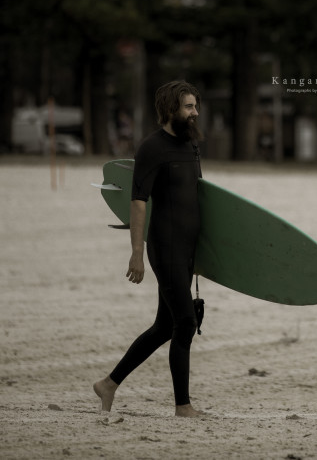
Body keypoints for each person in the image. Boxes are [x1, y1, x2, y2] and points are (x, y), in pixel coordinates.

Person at [94, 81, 205, 418]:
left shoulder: (191, 146)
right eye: (188, 106)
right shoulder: (152, 148)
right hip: (165, 246)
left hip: (186, 249)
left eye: (195, 106)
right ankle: (183, 406)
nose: (194, 112)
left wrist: (203, 257)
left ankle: (108, 384)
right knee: (185, 323)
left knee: (163, 326)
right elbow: (138, 203)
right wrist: (136, 253)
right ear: (171, 108)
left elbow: (198, 199)